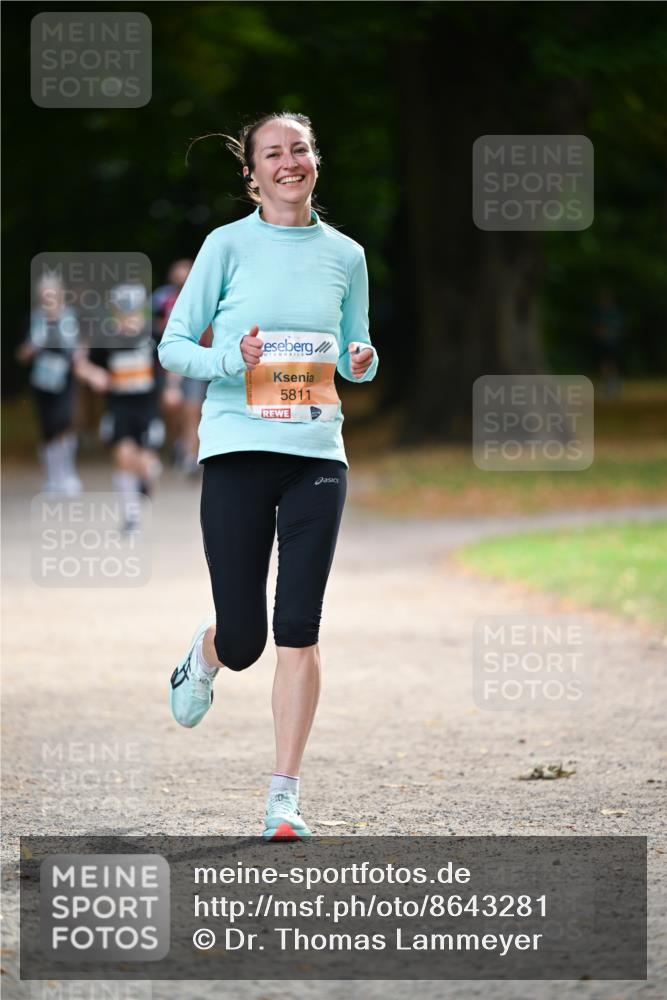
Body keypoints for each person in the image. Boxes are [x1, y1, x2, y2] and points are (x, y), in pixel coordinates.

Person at [158, 111, 379, 841]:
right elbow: (173, 347)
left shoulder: (345, 254)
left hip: (317, 453)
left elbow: (356, 344)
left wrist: (360, 361)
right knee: (248, 638)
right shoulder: (226, 246)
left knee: (298, 627)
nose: (289, 162)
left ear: (316, 161)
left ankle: (282, 798)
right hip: (236, 449)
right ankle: (207, 651)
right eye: (273, 154)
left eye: (300, 149)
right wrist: (232, 360)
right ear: (251, 174)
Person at [75, 283, 164, 532]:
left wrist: (173, 387)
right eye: (122, 310)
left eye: (133, 310)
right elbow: (83, 365)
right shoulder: (107, 338)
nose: (128, 316)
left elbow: (172, 363)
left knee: (147, 463)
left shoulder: (152, 337)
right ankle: (131, 517)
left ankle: (148, 477)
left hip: (147, 409)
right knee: (124, 458)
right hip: (119, 407)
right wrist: (94, 375)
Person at [16, 274, 82, 495]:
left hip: (65, 379)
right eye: (44, 292)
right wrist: (32, 346)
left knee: (63, 422)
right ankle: (53, 478)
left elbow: (82, 349)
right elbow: (21, 355)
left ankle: (68, 474)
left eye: (52, 291)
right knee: (47, 429)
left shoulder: (72, 317)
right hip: (41, 381)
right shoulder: (33, 319)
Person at [154, 260, 211, 475]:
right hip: (169, 361)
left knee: (192, 408)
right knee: (172, 407)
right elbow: (154, 325)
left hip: (195, 359)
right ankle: (177, 442)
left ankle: (190, 457)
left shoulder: (204, 296)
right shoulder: (162, 298)